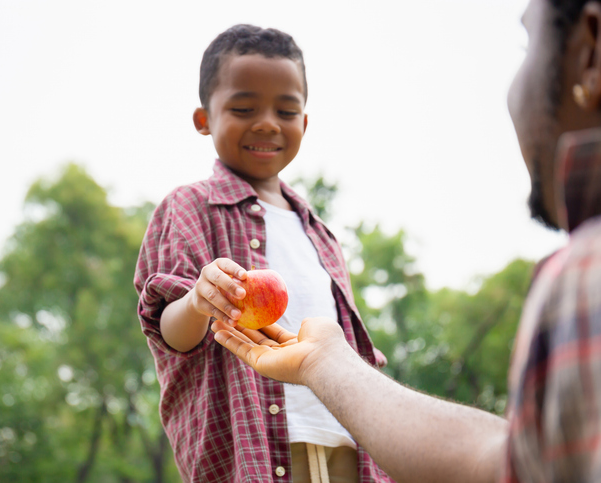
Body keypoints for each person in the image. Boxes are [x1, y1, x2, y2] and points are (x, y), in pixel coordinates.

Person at [212, 0, 601, 482]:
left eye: (527, 42)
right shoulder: (193, 208)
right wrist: (326, 362)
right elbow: (516, 461)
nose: (268, 123)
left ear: (590, 50)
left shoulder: (585, 273)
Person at [134, 24, 391, 482]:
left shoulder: (320, 234)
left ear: (304, 123)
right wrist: (197, 300)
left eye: (286, 110)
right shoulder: (190, 207)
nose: (268, 122)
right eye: (244, 107)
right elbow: (169, 331)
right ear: (204, 119)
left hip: (349, 443)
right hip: (256, 451)